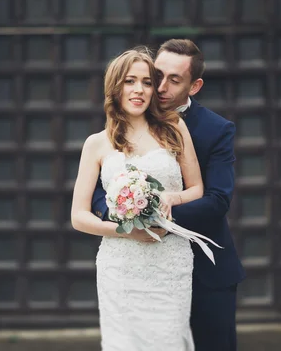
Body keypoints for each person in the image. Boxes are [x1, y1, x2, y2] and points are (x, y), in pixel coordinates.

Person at [92, 39, 246, 351]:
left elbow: (216, 200)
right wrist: (124, 214)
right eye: (155, 75)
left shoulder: (216, 129)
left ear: (194, 85)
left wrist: (154, 216)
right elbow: (100, 187)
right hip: (136, 266)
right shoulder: (126, 119)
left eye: (174, 79)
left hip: (203, 268)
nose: (159, 87)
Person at [71, 47, 204, 350]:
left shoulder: (174, 128)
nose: (139, 90)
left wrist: (173, 197)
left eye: (146, 82)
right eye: (130, 81)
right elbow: (79, 216)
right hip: (120, 267)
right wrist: (126, 231)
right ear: (115, 86)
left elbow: (197, 189)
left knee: (170, 339)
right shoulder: (96, 144)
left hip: (169, 261)